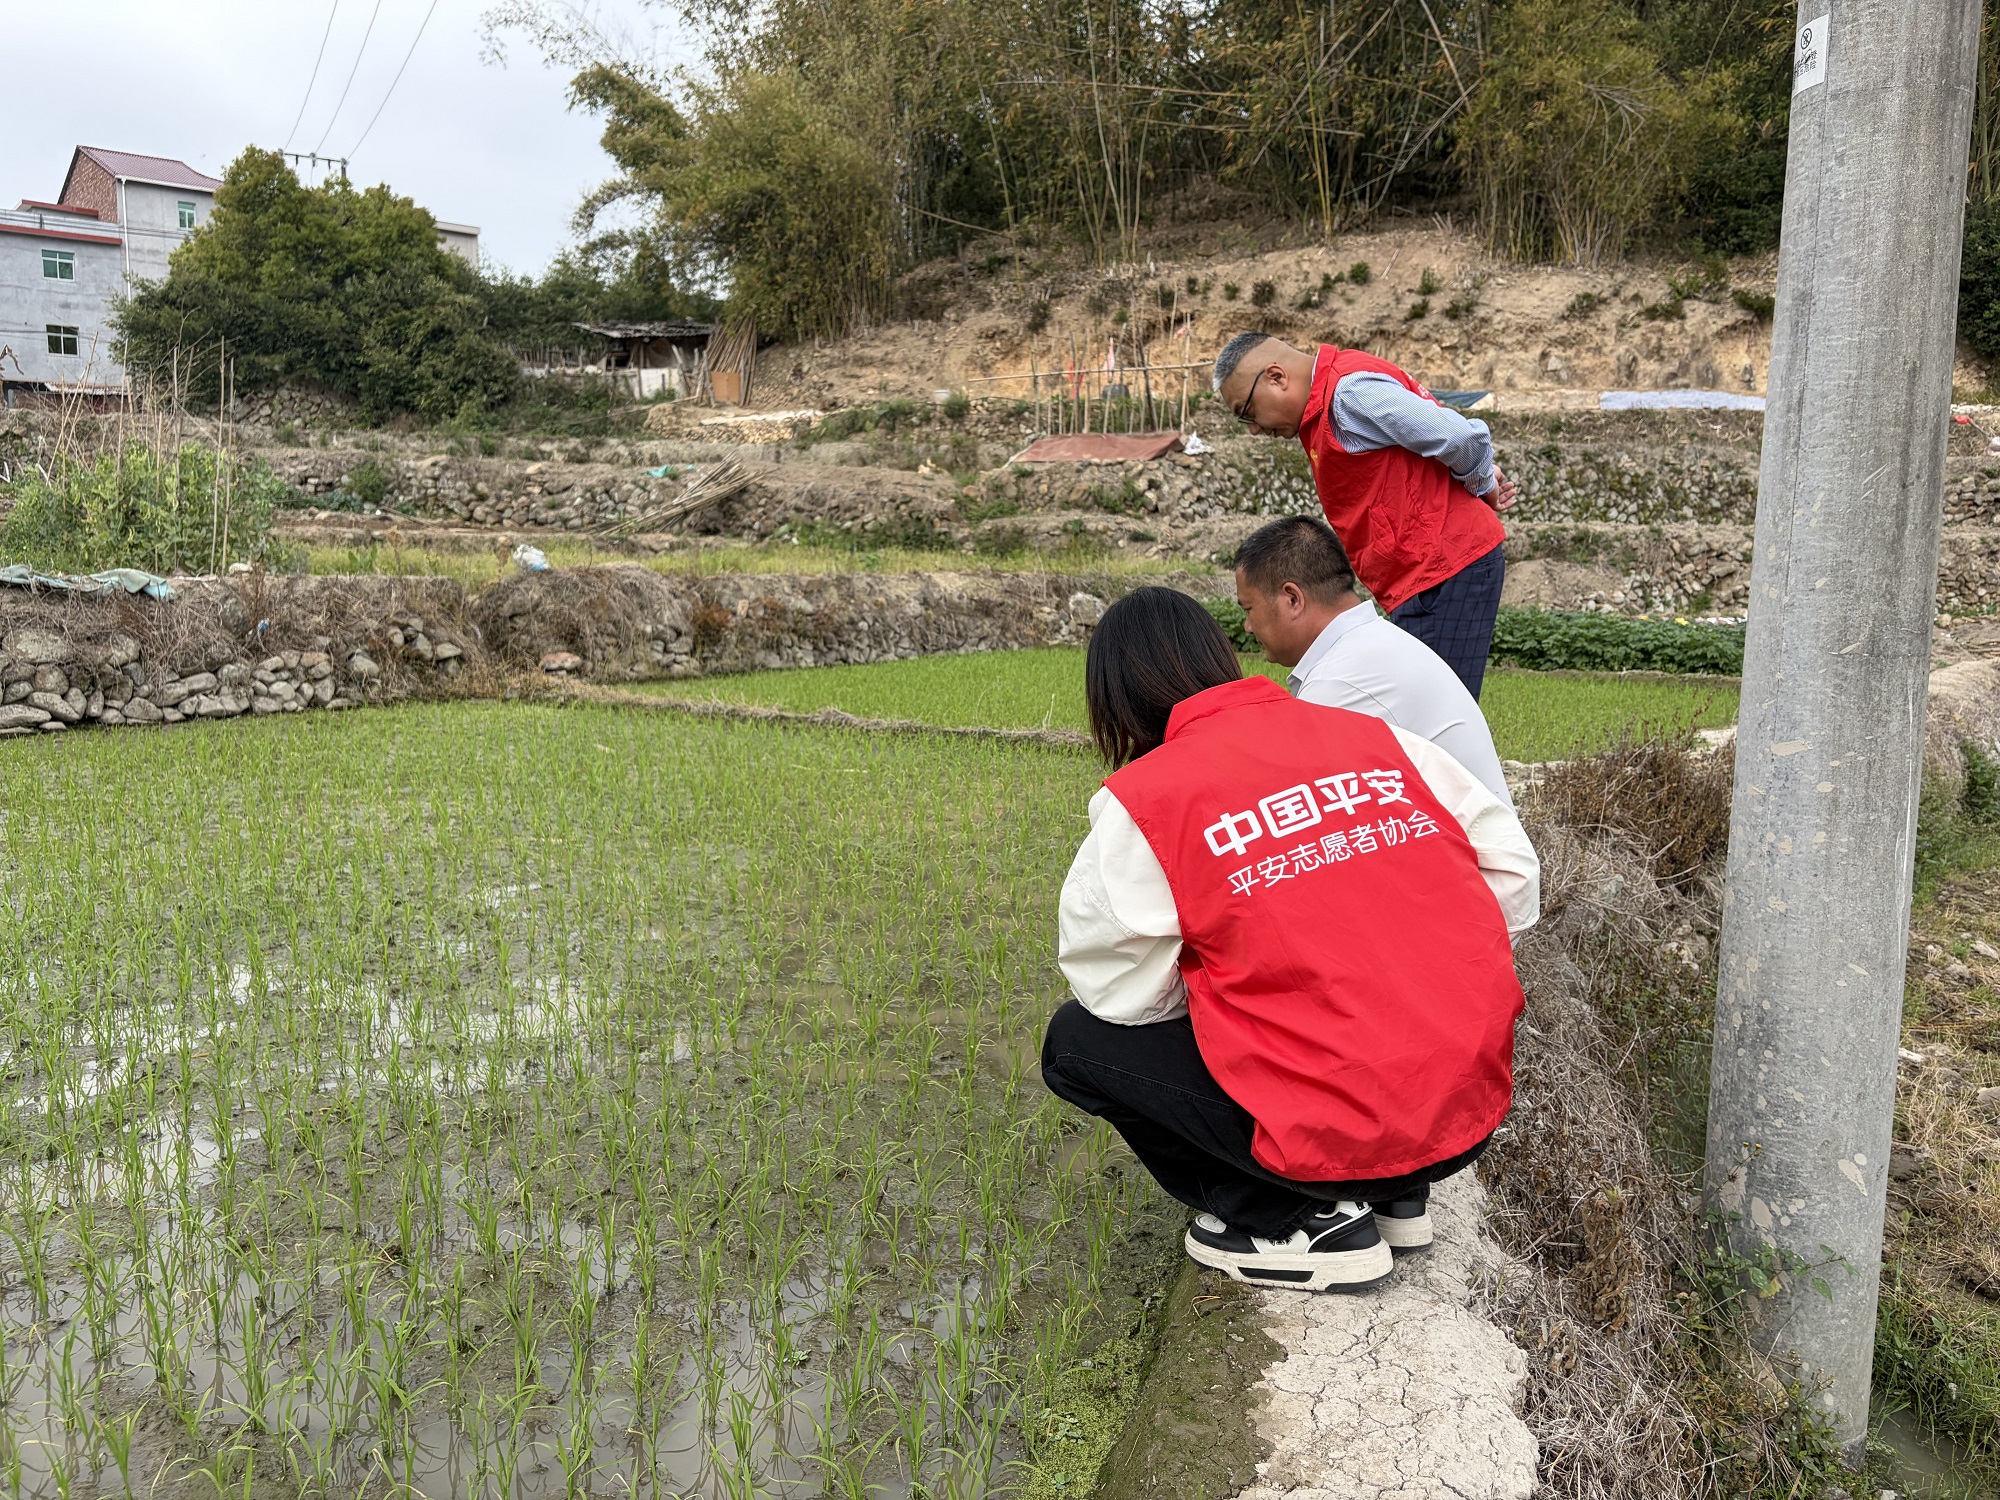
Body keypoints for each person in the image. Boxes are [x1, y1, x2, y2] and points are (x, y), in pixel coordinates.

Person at [1043, 587, 1538, 1292]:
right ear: (1218, 659)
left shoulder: (1149, 798)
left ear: (1116, 704)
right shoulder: (1376, 739)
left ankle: (1298, 1219)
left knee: (1075, 1044)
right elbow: (1514, 878)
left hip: (1342, 1135)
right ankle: (1400, 1198)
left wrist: (1236, 987)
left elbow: (1115, 991)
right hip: (1467, 1115)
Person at [1211, 332, 1517, 698]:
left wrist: (1479, 481)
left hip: (1444, 568)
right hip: (1424, 575)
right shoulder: (1334, 400)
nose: (1254, 428)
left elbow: (1459, 438)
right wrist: (1476, 474)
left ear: (1276, 377)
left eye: (1247, 412)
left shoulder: (1348, 395)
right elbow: (1432, 439)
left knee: (1432, 711)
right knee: (1416, 709)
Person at [1234, 515, 1512, 804]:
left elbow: (1298, 800)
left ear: (1292, 599)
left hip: (1464, 832)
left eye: (1249, 609)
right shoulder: (1373, 643)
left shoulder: (1338, 682)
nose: (1248, 627)